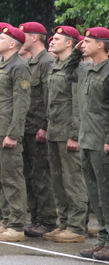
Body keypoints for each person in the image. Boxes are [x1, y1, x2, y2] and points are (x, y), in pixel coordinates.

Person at [0, 24, 32, 243]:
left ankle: (17, 225)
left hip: (6, 131)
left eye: (1, 38)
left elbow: (21, 102)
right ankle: (6, 219)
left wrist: (13, 133)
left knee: (12, 178)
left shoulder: (19, 66)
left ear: (12, 44)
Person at [42, 26, 88, 243]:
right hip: (55, 130)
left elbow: (78, 103)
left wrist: (74, 134)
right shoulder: (56, 66)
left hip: (67, 132)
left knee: (73, 181)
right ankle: (65, 223)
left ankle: (77, 227)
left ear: (69, 43)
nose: (52, 42)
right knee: (59, 182)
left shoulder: (75, 67)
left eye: (58, 39)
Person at [18, 22, 56, 238]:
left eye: (23, 34)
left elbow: (48, 98)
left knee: (42, 177)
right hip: (26, 126)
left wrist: (44, 125)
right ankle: (36, 219)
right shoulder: (31, 62)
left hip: (37, 128)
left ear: (34, 37)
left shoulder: (46, 62)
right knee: (30, 177)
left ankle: (48, 220)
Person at [76, 28, 109, 260]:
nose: (82, 44)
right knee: (94, 193)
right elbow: (68, 71)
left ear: (101, 44)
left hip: (101, 140)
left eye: (87, 41)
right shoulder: (88, 70)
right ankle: (103, 240)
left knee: (106, 193)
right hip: (86, 138)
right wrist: (75, 54)